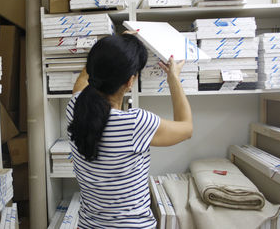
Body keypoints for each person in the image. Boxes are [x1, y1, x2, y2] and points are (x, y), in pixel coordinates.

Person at [66, 33, 193, 228]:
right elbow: (186, 128)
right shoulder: (136, 123)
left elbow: (83, 81)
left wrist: (113, 48)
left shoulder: (75, 108)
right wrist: (173, 78)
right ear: (130, 81)